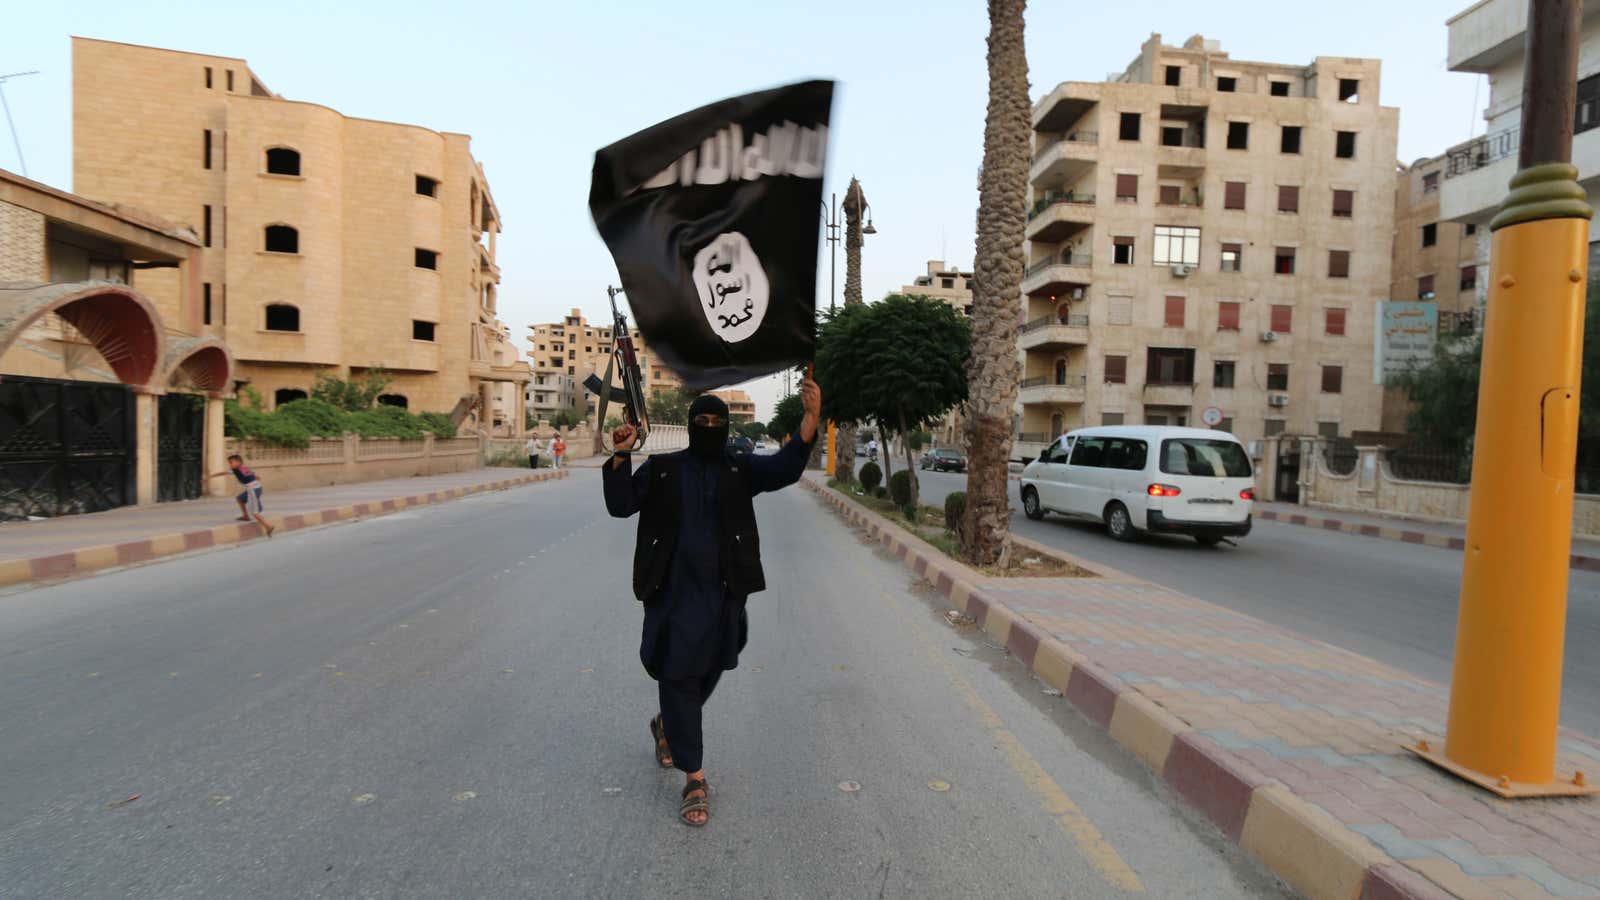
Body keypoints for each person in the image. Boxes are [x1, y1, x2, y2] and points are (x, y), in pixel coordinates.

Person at [603, 377, 821, 827]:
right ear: (690, 425)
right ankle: (695, 777)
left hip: (724, 595)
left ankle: (668, 722)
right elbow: (621, 504)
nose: (708, 426)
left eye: (715, 421)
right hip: (672, 594)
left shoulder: (739, 468)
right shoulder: (664, 469)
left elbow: (784, 467)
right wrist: (621, 454)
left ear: (724, 427)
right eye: (701, 421)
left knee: (716, 661)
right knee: (679, 672)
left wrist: (811, 419)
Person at [207, 454, 274, 538]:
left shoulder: (236, 469)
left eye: (231, 462)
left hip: (252, 490)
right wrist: (256, 477)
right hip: (255, 488)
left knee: (254, 512)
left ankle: (268, 526)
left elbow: (223, 473)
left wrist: (210, 476)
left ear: (238, 462)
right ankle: (245, 516)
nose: (230, 464)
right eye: (229, 463)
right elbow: (252, 474)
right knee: (240, 498)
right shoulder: (243, 467)